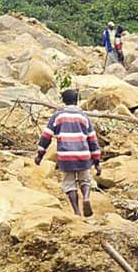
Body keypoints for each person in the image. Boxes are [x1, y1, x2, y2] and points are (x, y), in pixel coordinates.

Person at [35, 89, 101, 217]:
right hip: (83, 155)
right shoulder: (84, 117)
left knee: (69, 183)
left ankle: (76, 211)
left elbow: (46, 136)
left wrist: (40, 154)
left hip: (66, 156)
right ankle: (86, 197)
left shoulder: (58, 116)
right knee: (85, 180)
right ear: (76, 101)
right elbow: (93, 139)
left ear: (63, 101)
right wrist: (97, 161)